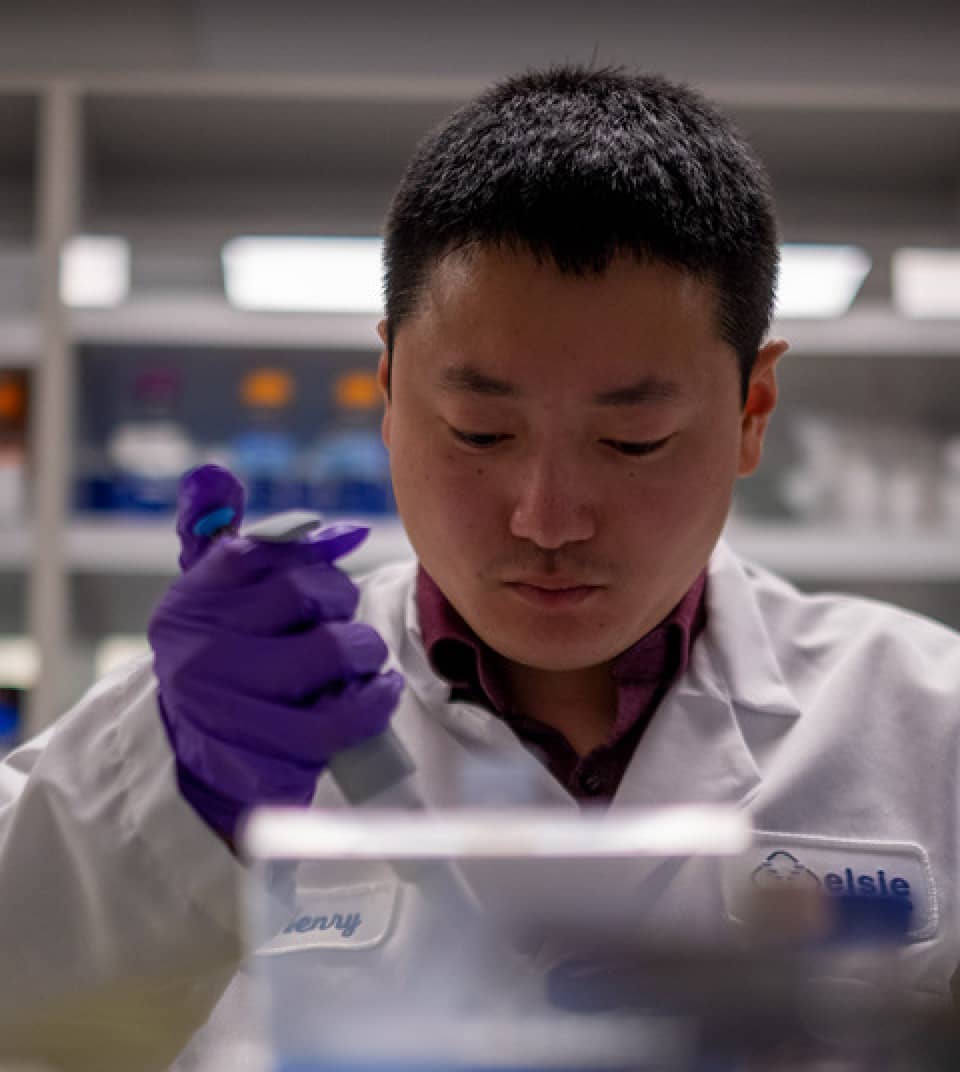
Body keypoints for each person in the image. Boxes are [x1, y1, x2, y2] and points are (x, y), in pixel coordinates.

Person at [3, 64, 960, 1070]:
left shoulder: (929, 722)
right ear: (386, 385)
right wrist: (168, 800)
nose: (546, 517)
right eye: (479, 429)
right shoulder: (222, 724)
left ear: (751, 413)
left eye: (634, 441)